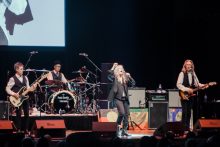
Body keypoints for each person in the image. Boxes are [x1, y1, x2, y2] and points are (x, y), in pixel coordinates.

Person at [176, 59, 208, 130]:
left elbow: (197, 84)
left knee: (189, 112)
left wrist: (204, 85)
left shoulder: (193, 74)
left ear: (191, 66)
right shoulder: (182, 73)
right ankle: (182, 129)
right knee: (185, 112)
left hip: (191, 96)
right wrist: (187, 89)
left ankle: (187, 129)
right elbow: (178, 85)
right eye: (187, 64)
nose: (188, 66)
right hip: (184, 95)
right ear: (185, 66)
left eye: (190, 65)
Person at [6, 62, 37, 133]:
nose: (23, 70)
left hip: (25, 98)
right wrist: (14, 94)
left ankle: (26, 129)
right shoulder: (12, 79)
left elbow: (28, 88)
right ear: (17, 69)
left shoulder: (25, 78)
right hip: (17, 99)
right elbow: (7, 89)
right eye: (21, 69)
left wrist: (33, 88)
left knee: (27, 113)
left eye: (23, 69)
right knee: (18, 113)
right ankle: (19, 129)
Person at [107, 63, 135, 136]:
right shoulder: (115, 79)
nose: (121, 71)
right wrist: (113, 67)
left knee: (127, 114)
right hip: (118, 99)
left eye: (122, 70)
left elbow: (133, 84)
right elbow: (109, 75)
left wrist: (130, 77)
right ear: (116, 71)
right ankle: (116, 128)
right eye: (119, 70)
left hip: (125, 99)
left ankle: (124, 131)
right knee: (122, 113)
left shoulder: (125, 79)